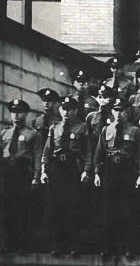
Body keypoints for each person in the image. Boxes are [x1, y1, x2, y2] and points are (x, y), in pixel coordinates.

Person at [93, 98, 140, 259]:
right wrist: (96, 172)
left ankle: (127, 247)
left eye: (122, 110)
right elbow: (99, 152)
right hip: (110, 170)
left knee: (127, 210)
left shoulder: (134, 131)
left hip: (127, 170)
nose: (119, 113)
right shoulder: (106, 130)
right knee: (108, 211)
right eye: (116, 110)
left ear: (127, 112)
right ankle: (108, 248)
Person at [40, 95, 91, 256]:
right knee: (56, 207)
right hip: (57, 169)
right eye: (63, 109)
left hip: (73, 168)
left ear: (75, 110)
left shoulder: (82, 127)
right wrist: (43, 170)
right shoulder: (54, 128)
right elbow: (47, 151)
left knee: (73, 207)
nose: (66, 112)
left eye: (69, 109)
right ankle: (57, 245)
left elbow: (88, 151)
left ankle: (73, 245)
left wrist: (86, 170)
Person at [2, 99, 42, 253]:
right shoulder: (4, 133)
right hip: (6, 172)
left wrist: (36, 176)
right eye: (13, 112)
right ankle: (9, 244)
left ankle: (22, 244)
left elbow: (37, 156)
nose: (16, 115)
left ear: (25, 114)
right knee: (7, 208)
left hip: (22, 172)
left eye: (19, 112)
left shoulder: (33, 134)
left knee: (23, 208)